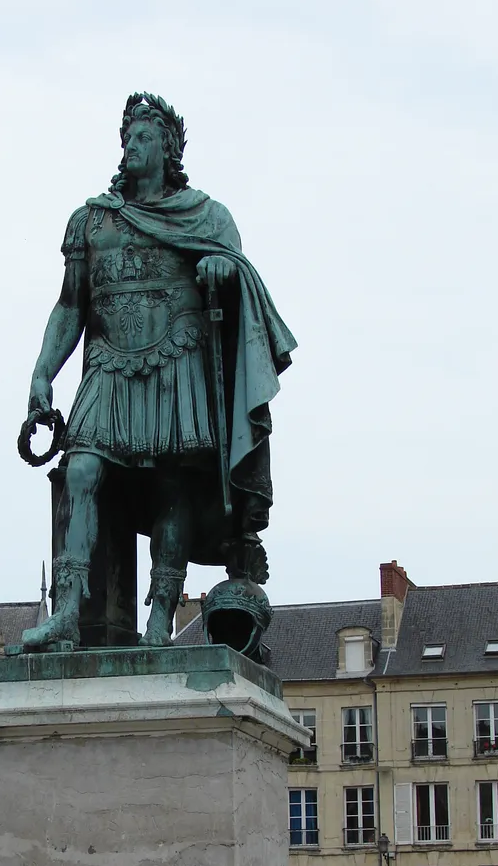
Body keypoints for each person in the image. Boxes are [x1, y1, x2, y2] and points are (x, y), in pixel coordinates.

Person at [22, 92, 296, 650]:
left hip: (177, 360)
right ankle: (68, 611)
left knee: (173, 485)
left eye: (143, 136)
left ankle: (159, 617)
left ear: (167, 148)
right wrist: (42, 373)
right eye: (127, 136)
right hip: (108, 366)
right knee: (80, 472)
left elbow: (245, 287)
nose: (131, 145)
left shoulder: (208, 216)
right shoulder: (92, 220)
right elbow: (71, 304)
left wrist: (223, 269)